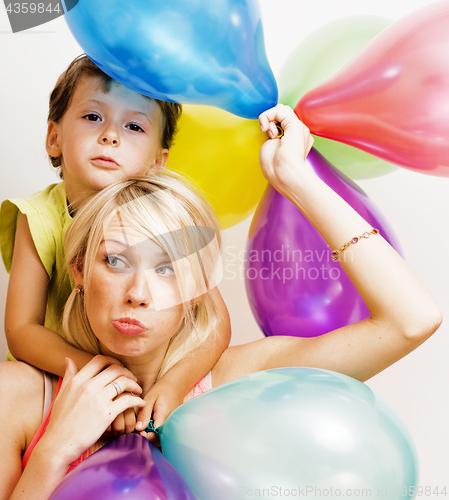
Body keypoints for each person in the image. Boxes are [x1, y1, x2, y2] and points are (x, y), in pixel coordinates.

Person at [0, 105, 441, 500]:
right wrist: (54, 451)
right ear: (78, 271)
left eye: (167, 268)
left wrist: (296, 180)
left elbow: (411, 320)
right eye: (115, 260)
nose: (138, 293)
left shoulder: (243, 381)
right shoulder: (16, 395)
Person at [0, 54, 231, 434]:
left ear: (158, 161)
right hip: (60, 382)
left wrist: (174, 383)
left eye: (134, 126)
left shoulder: (163, 222)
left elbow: (218, 323)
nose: (111, 136)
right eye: (93, 117)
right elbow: (22, 330)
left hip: (144, 384)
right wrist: (100, 375)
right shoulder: (37, 216)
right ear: (54, 138)